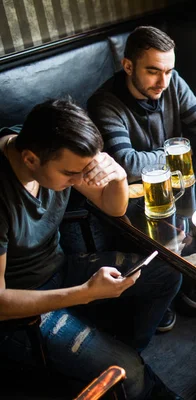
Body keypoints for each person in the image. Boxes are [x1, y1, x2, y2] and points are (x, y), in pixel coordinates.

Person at [0, 99, 182, 399]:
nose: (79, 180)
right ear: (31, 160)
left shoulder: (54, 146)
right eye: (72, 175)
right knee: (128, 371)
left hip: (60, 268)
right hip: (21, 311)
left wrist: (119, 176)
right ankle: (122, 370)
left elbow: (113, 206)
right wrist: (85, 293)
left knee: (167, 272)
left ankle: (113, 355)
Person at [88, 26, 196, 324]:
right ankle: (167, 291)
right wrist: (179, 155)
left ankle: (190, 285)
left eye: (169, 71)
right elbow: (125, 163)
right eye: (153, 71)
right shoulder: (104, 102)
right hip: (132, 199)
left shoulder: (173, 83)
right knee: (172, 238)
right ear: (128, 66)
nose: (163, 81)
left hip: (177, 185)